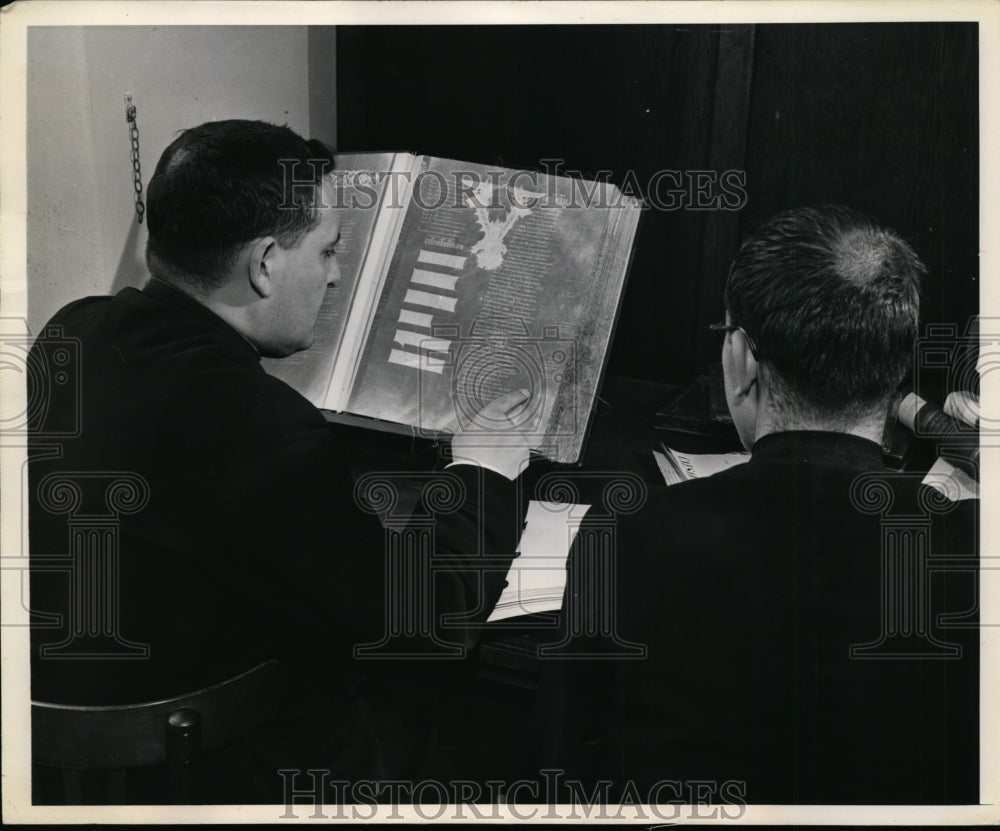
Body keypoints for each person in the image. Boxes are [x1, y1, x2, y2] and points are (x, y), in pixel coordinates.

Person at [28, 119, 531, 803]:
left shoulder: (72, 329)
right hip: (217, 774)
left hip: (58, 765)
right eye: (328, 252)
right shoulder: (253, 422)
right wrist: (485, 473)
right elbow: (428, 625)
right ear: (264, 264)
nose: (334, 277)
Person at [543, 206, 978, 805]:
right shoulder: (977, 554)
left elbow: (567, 776)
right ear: (896, 367)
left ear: (743, 359)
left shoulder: (623, 536)